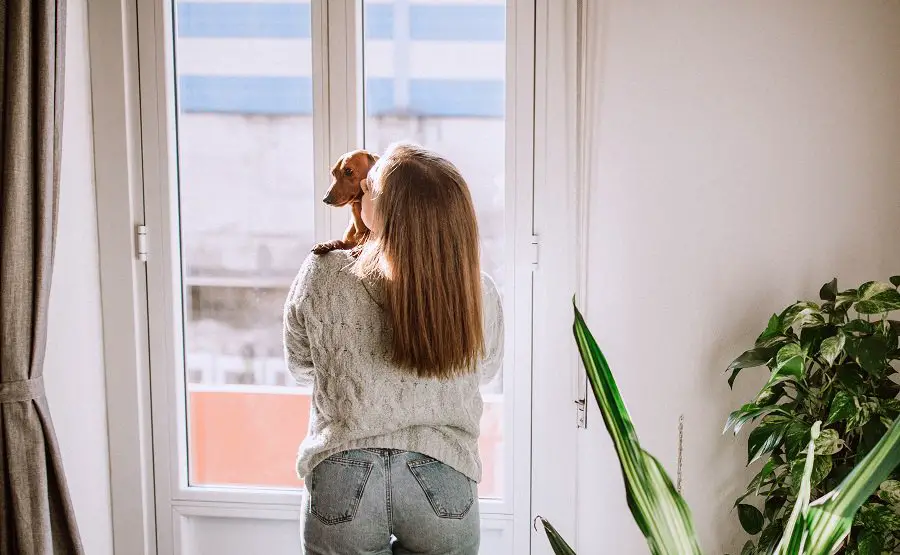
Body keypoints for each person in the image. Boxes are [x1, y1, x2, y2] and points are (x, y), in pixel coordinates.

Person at [283, 142, 504, 555]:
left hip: (342, 473)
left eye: (369, 189)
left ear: (385, 211)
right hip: (443, 477)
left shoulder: (323, 272)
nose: (360, 191)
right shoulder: (478, 289)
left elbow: (300, 366)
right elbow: (485, 371)